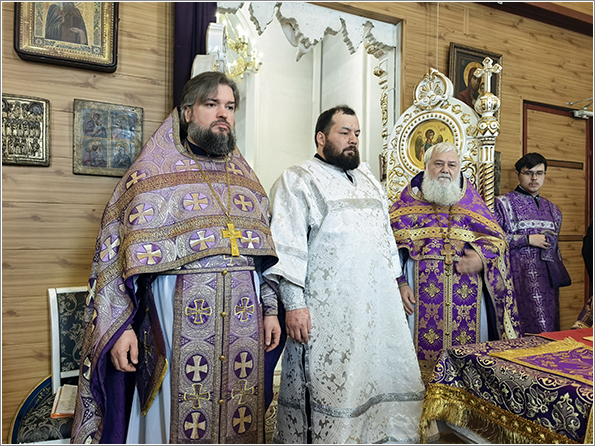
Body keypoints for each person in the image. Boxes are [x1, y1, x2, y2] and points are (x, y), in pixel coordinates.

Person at [71, 71, 281, 444]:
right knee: (175, 417)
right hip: (175, 320)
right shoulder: (150, 173)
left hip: (243, 325)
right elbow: (113, 259)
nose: (223, 114)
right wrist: (121, 329)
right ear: (186, 112)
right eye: (212, 104)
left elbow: (260, 260)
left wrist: (270, 310)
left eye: (230, 106)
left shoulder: (247, 181)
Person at [263, 105, 437, 443]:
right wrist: (294, 305)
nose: (353, 140)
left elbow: (384, 236)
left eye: (356, 133)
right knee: (337, 385)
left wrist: (399, 280)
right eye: (344, 133)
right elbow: (288, 247)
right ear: (321, 137)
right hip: (329, 314)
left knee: (379, 375)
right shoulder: (298, 179)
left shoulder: (368, 178)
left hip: (377, 306)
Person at [390, 142, 521, 381]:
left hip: (469, 299)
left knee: (467, 365)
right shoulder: (407, 204)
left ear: (459, 169)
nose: (445, 170)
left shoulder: (473, 204)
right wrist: (399, 283)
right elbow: (387, 247)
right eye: (438, 164)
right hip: (418, 299)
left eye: (452, 165)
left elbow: (498, 242)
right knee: (418, 368)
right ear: (426, 166)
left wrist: (482, 258)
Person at [495, 152, 571, 334]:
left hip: (547, 284)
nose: (534, 178)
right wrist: (527, 239)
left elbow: (556, 251)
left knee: (549, 332)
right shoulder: (503, 204)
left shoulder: (553, 210)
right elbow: (494, 240)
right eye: (528, 173)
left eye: (539, 173)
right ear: (518, 174)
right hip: (517, 281)